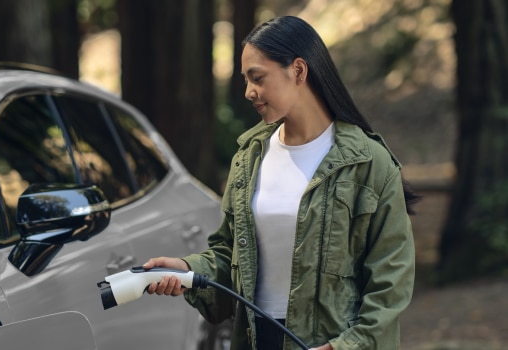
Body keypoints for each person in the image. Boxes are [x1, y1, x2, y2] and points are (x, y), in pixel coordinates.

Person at [144, 15, 418, 350]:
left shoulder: (369, 162)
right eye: (245, 80)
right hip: (255, 339)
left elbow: (390, 286)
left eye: (257, 78)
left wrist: (343, 347)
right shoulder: (249, 159)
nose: (248, 92)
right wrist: (187, 270)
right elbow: (230, 256)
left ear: (299, 71)